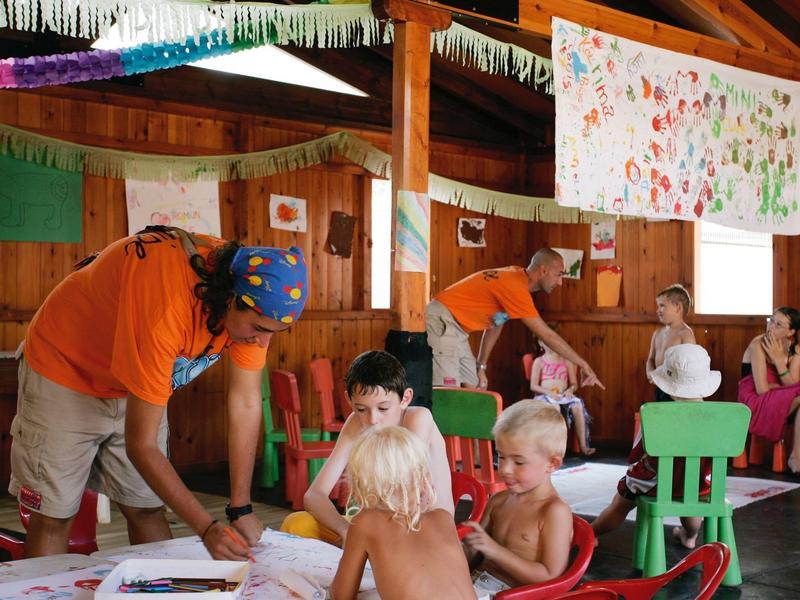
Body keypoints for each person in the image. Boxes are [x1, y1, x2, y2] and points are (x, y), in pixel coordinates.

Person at [9, 226, 308, 559]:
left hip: (133, 378)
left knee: (147, 506)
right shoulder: (168, 306)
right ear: (230, 298)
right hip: (64, 369)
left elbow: (246, 402)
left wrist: (240, 508)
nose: (260, 340)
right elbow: (142, 445)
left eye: (272, 334)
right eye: (258, 329)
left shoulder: (257, 302)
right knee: (54, 514)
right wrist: (207, 529)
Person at [281, 350, 454, 545]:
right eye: (361, 409)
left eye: (383, 409)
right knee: (296, 523)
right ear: (349, 400)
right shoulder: (356, 422)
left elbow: (405, 493)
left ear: (405, 399)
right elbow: (314, 495)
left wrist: (364, 529)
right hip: (377, 524)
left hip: (423, 529)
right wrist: (344, 529)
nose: (372, 420)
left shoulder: (418, 418)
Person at [592, 344, 721, 549]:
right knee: (691, 500)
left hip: (656, 483)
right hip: (698, 483)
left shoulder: (655, 414)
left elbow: (636, 454)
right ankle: (690, 535)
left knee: (621, 501)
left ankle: (593, 533)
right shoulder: (720, 417)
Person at [426, 247, 603, 391]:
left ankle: (469, 435)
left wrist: (481, 367)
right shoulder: (515, 287)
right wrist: (583, 363)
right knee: (447, 392)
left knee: (474, 388)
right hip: (442, 319)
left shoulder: (517, 280)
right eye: (559, 275)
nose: (560, 282)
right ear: (543, 270)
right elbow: (547, 336)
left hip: (458, 329)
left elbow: (496, 323)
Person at [330, 426, 476, 600]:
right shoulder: (443, 517)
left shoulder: (366, 522)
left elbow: (341, 595)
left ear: (362, 483)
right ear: (423, 477)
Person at [462, 399, 572, 592]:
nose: (505, 469)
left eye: (519, 462)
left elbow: (549, 576)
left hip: (515, 595)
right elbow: (473, 551)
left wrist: (495, 551)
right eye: (501, 456)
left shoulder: (554, 512)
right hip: (474, 585)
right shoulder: (498, 501)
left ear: (552, 464)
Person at [738, 307, 800, 473]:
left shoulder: (795, 349)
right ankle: (796, 459)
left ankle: (796, 457)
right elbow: (762, 389)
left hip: (779, 396)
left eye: (778, 324)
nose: (771, 326)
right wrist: (784, 385)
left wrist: (779, 362)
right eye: (771, 320)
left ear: (791, 332)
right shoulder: (757, 344)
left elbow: (793, 385)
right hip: (753, 399)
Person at [529, 338, 595, 456]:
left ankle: (583, 446)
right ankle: (555, 448)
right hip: (545, 396)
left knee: (577, 405)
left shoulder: (566, 361)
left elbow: (574, 384)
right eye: (546, 341)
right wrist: (548, 393)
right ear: (541, 343)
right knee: (555, 408)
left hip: (562, 395)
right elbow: (533, 386)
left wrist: (570, 390)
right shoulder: (539, 361)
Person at [645, 284, 695, 402]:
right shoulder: (657, 333)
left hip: (677, 392)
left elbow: (690, 367)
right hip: (659, 388)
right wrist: (650, 372)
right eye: (658, 306)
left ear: (677, 307)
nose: (658, 310)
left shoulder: (685, 334)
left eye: (662, 306)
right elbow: (650, 359)